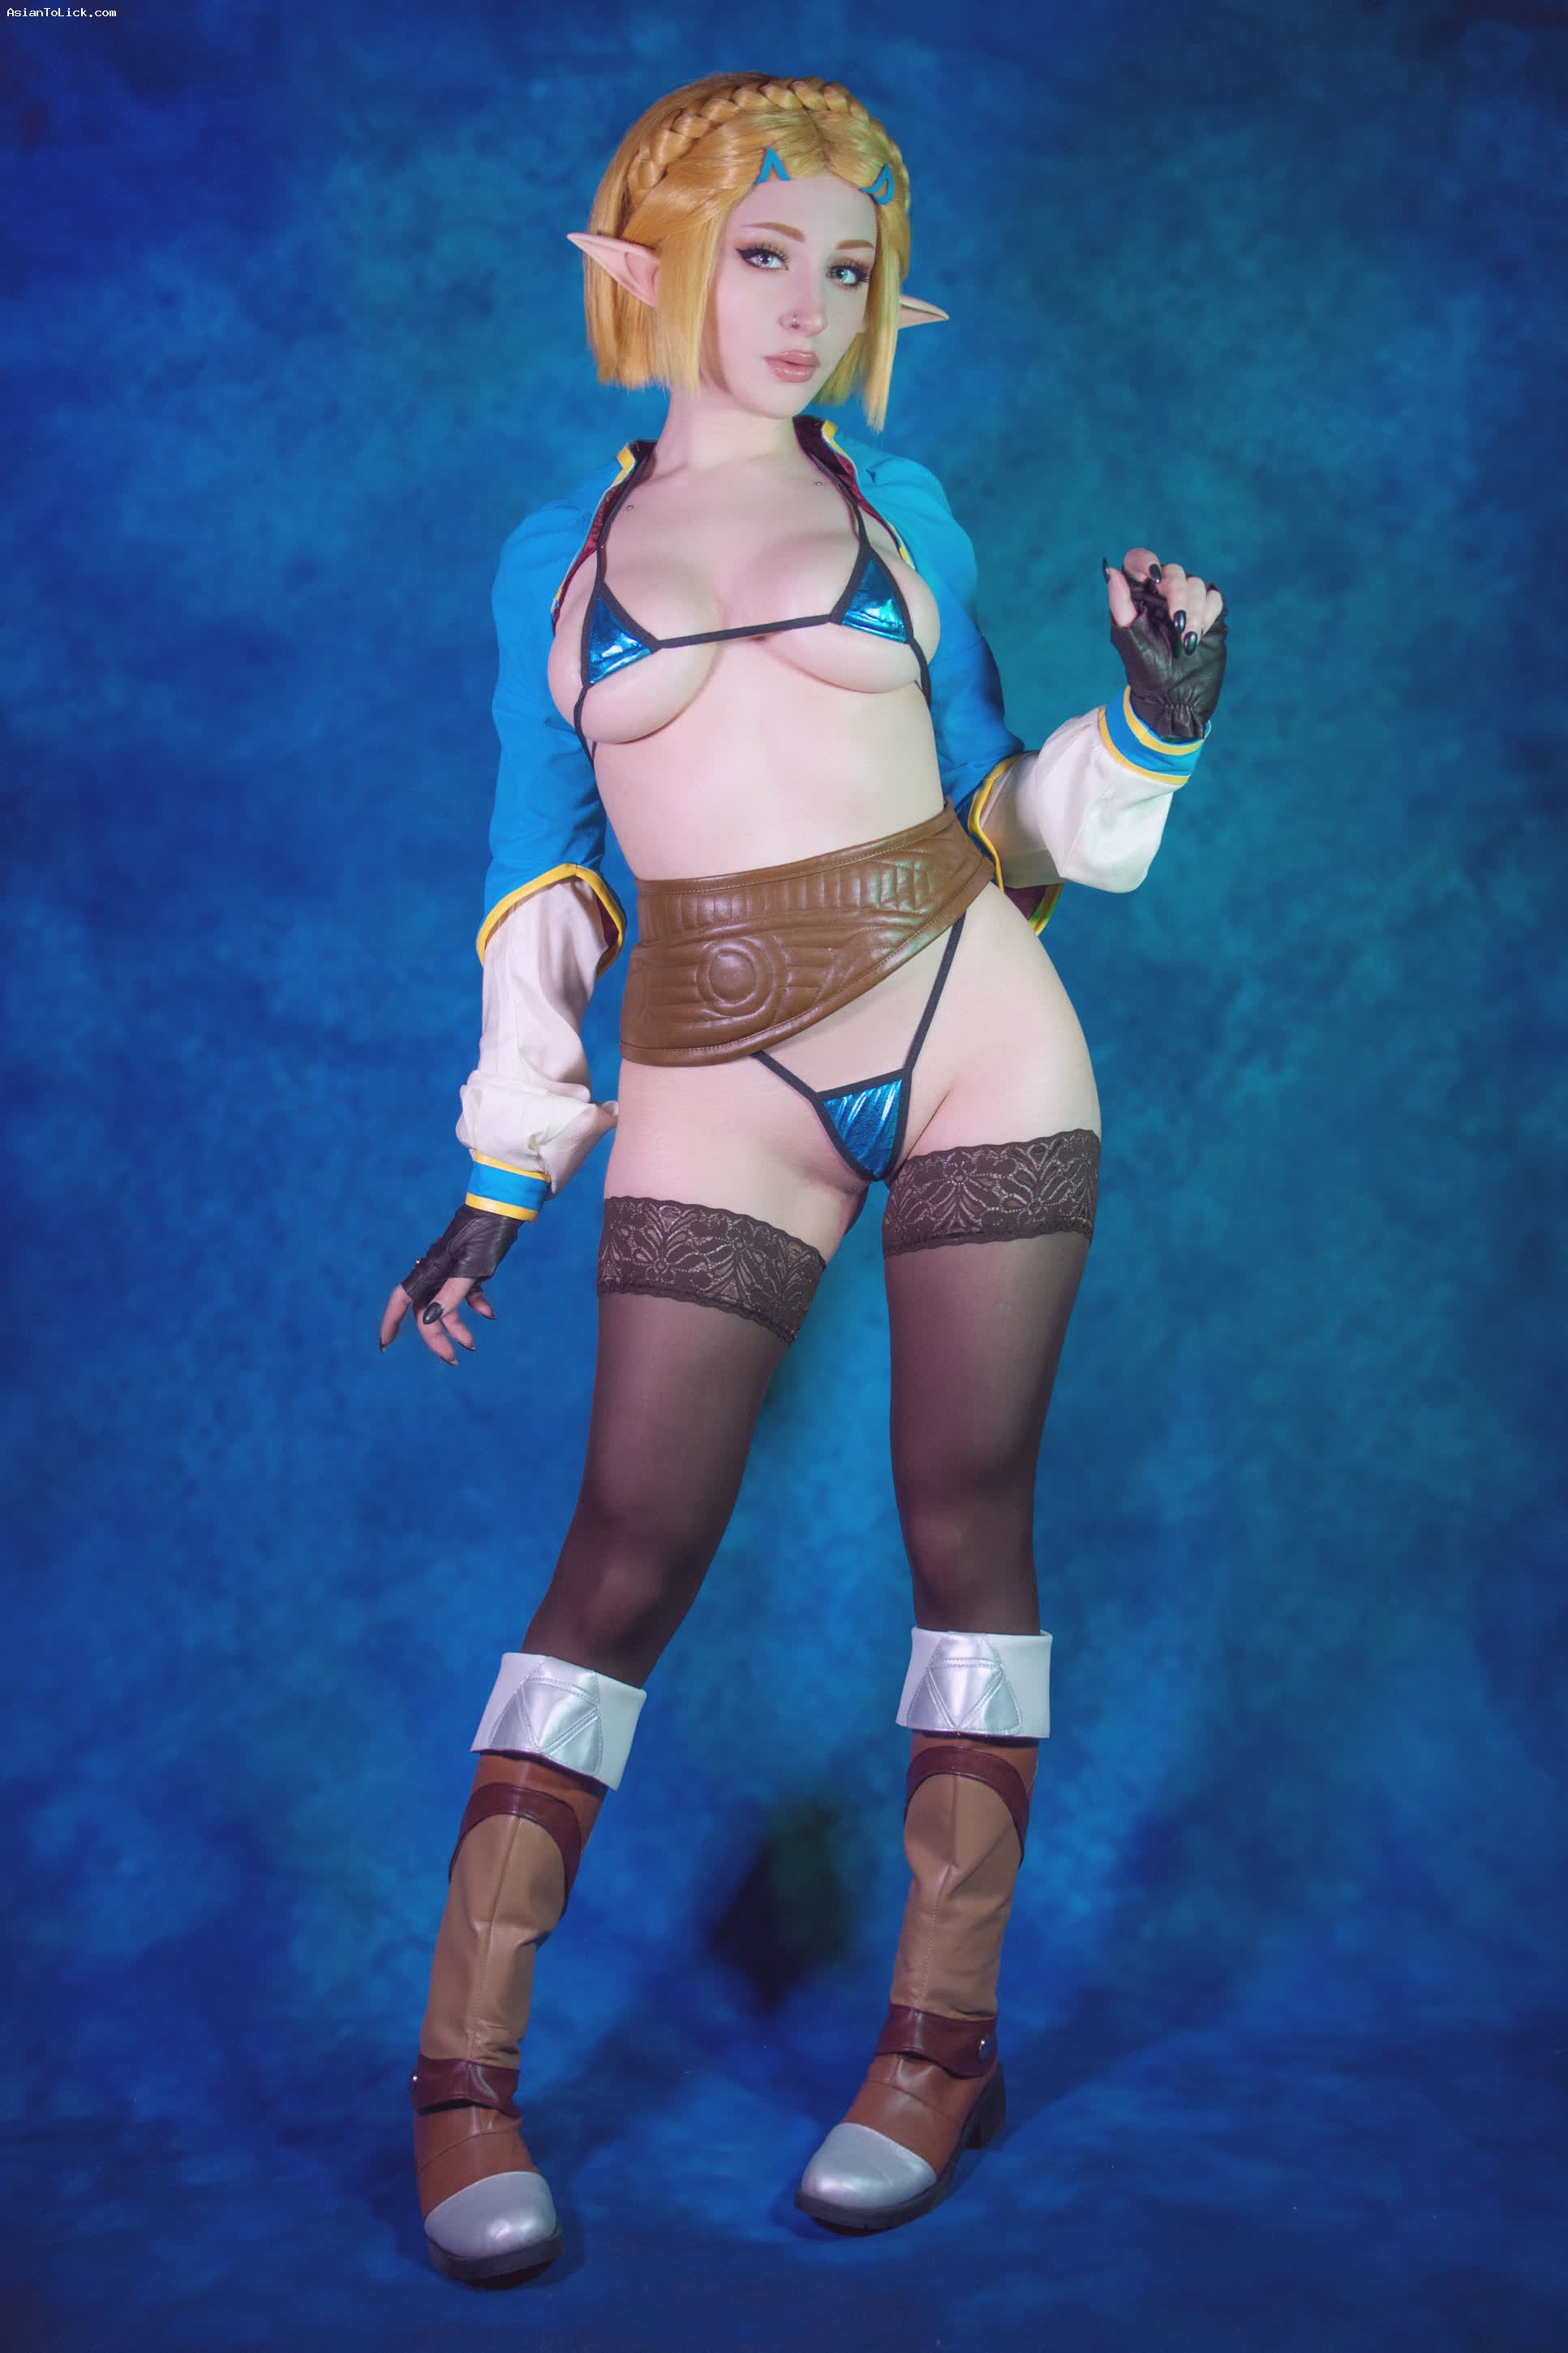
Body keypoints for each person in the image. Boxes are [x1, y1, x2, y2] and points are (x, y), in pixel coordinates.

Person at [380, 71, 1228, 2285]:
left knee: (967, 1512)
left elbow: (1004, 824)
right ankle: (461, 2075)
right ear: (648, 265)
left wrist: (1153, 728)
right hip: (709, 1070)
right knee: (626, 1545)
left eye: (848, 272)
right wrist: (502, 1167)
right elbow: (541, 874)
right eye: (764, 255)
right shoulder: (555, 562)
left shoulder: (905, 514)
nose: (808, 307)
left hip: (966, 1028)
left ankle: (940, 2044)